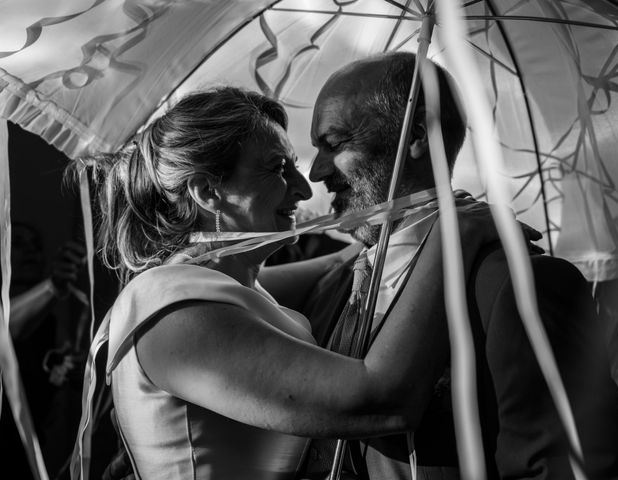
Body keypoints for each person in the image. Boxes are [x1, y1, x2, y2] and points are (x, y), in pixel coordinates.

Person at [85, 86, 505, 480]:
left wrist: (399, 221)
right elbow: (380, 402)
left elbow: (341, 264)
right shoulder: (174, 309)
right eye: (277, 169)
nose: (304, 190)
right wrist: (455, 236)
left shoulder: (232, 287)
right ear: (206, 190)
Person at [271, 52, 618, 479]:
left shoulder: (516, 285)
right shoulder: (335, 284)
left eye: (334, 144)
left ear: (418, 134)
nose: (316, 173)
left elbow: (576, 467)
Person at [0, 222, 86, 479]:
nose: (31, 252)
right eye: (18, 243)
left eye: (36, 246)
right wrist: (53, 285)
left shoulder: (50, 320)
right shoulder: (43, 299)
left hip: (25, 457)